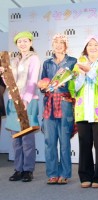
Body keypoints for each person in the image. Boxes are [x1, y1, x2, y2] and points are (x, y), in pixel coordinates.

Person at [71, 35, 98, 188]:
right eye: (89, 45)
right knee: (84, 144)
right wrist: (81, 75)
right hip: (82, 110)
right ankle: (85, 176)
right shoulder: (78, 64)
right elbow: (73, 88)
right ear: (85, 47)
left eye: (96, 45)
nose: (93, 47)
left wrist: (91, 72)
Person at [0, 31, 41, 182]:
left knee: (27, 139)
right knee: (15, 139)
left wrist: (26, 100)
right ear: (16, 44)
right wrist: (3, 74)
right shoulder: (13, 59)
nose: (22, 44)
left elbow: (33, 80)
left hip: (28, 102)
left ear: (30, 42)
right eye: (19, 41)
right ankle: (18, 169)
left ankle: (28, 170)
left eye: (25, 41)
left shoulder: (34, 58)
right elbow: (9, 83)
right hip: (13, 101)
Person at [39, 34, 77, 184]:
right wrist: (44, 86)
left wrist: (66, 86)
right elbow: (42, 83)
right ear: (52, 45)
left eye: (61, 43)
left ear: (66, 45)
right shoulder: (47, 63)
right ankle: (52, 173)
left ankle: (65, 174)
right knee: (49, 141)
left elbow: (76, 83)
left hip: (65, 103)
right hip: (49, 103)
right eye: (56, 42)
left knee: (65, 141)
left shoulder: (73, 61)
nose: (58, 45)